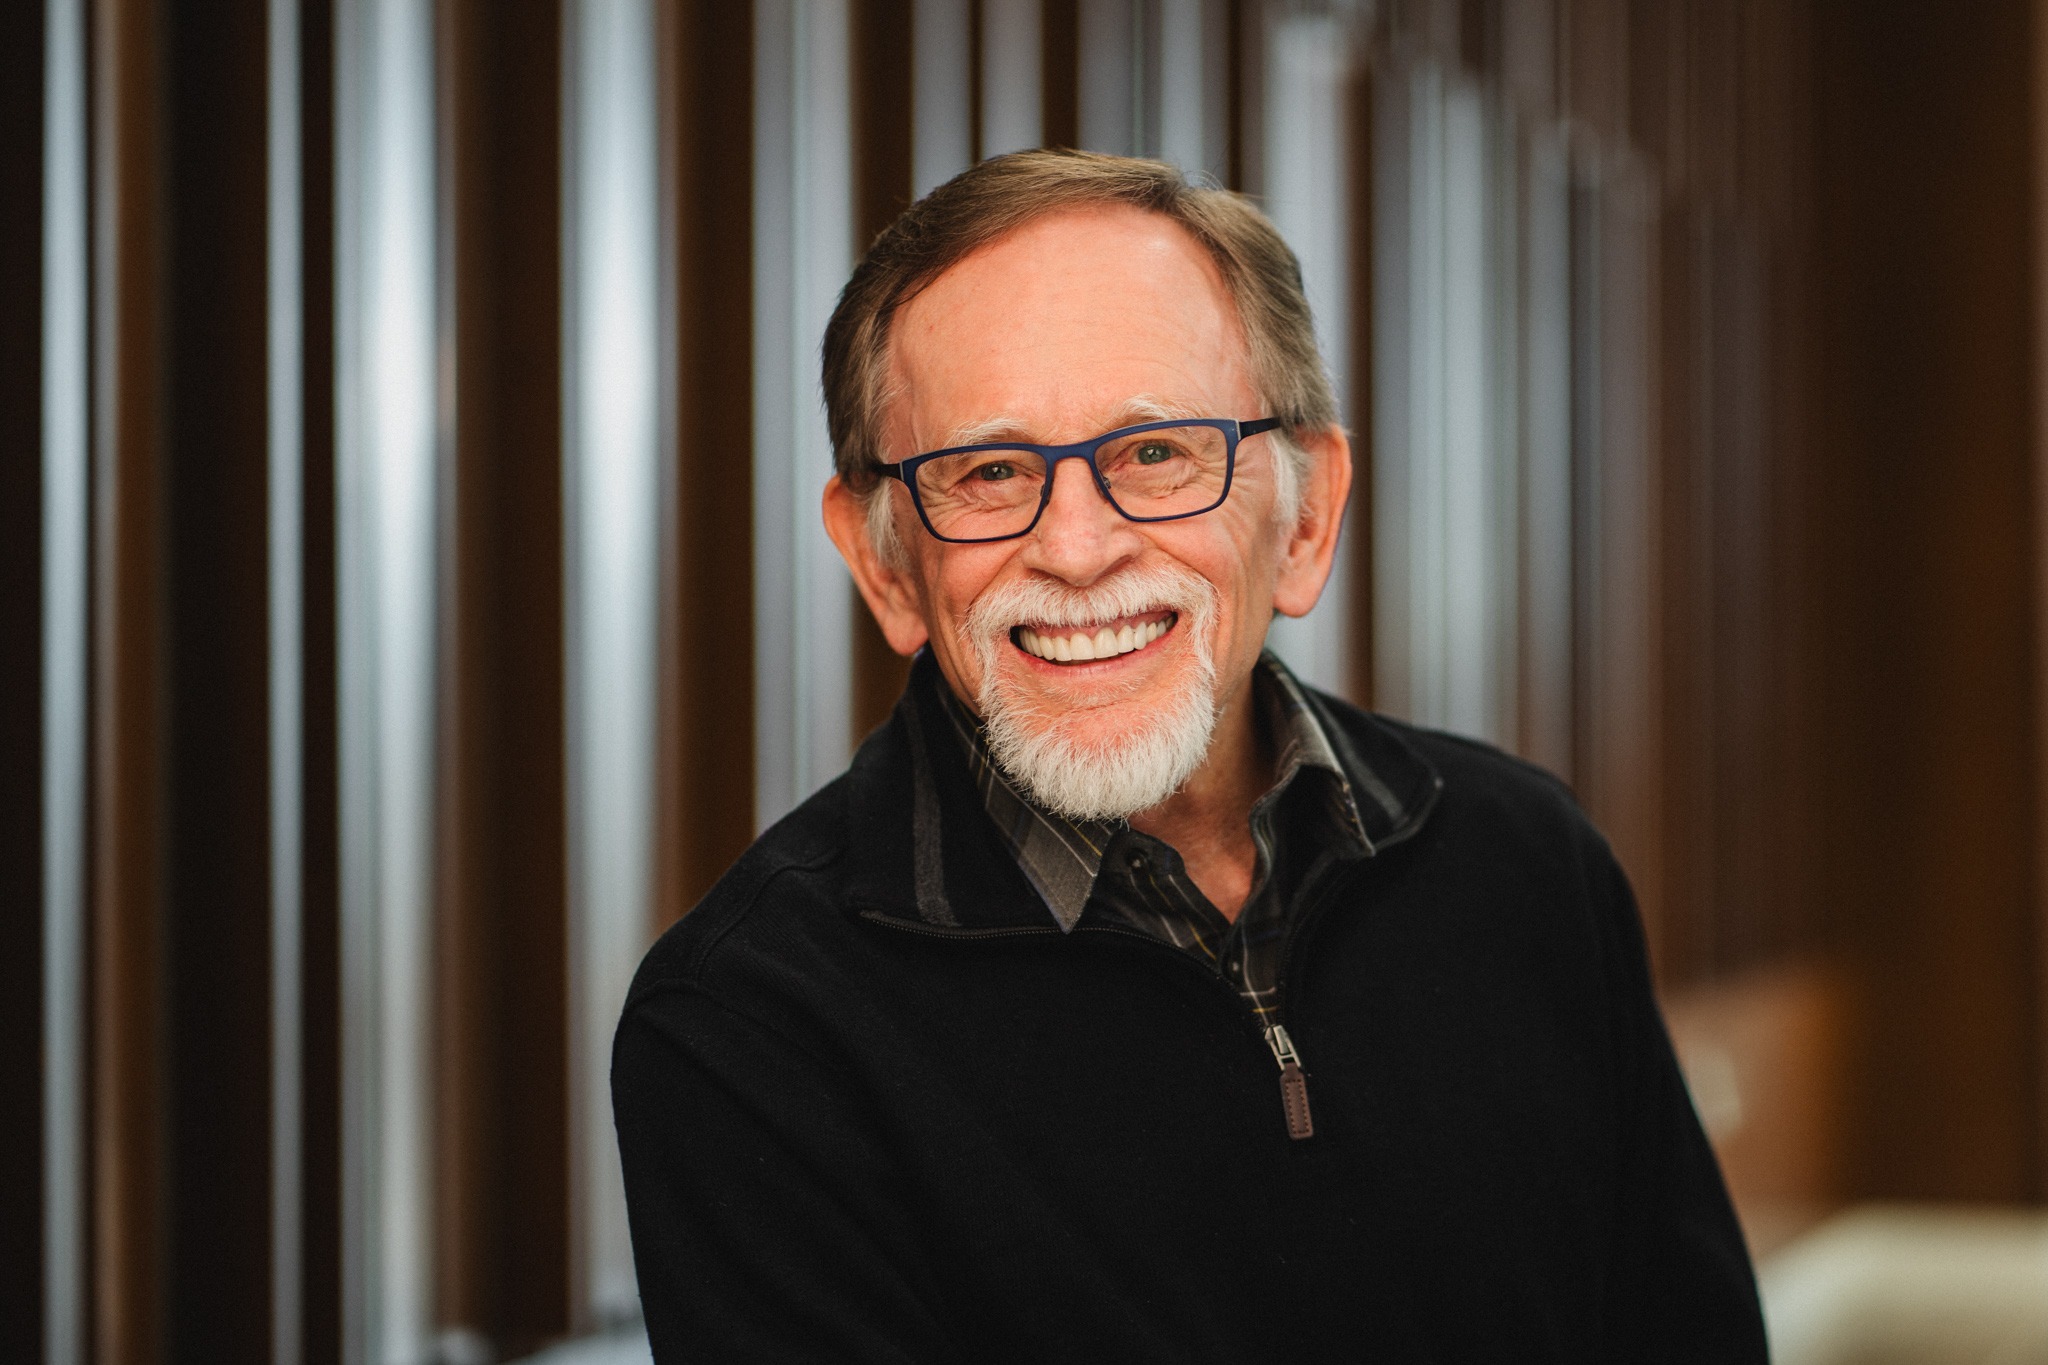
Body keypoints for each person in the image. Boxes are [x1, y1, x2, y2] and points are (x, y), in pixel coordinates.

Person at [612, 149, 1766, 1362]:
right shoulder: (750, 1032)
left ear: (1307, 516)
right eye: (989, 470)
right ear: (885, 564)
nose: (1074, 547)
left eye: (1156, 453)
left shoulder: (1529, 867)